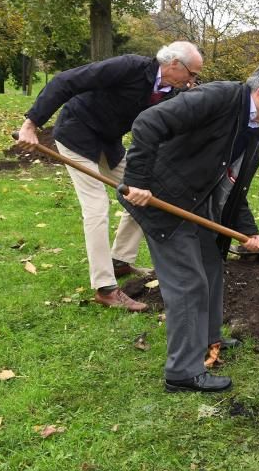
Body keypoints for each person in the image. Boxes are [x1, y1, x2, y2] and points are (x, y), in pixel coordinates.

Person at [120, 62, 259, 393]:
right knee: (188, 281)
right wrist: (137, 181)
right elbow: (148, 121)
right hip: (159, 196)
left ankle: (209, 337)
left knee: (212, 261)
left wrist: (249, 231)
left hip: (193, 199)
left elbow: (233, 188)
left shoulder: (249, 133)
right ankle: (183, 372)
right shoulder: (218, 98)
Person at [16, 42, 203, 313]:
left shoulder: (170, 93)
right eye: (192, 73)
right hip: (76, 135)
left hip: (108, 144)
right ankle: (105, 288)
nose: (192, 81)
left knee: (147, 194)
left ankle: (120, 260)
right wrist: (31, 123)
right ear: (174, 64)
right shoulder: (130, 67)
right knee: (97, 206)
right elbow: (65, 80)